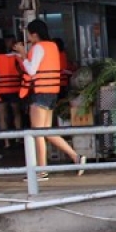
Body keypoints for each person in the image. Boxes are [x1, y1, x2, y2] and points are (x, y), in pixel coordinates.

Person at [19, 20, 84, 180]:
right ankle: (76, 157)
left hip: (40, 94)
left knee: (38, 133)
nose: (28, 37)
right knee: (47, 131)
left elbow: (31, 70)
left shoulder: (38, 47)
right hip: (52, 93)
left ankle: (41, 171)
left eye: (28, 34)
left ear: (34, 34)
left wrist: (22, 55)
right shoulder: (53, 46)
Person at [0, 36, 23, 149]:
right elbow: (21, 71)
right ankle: (19, 137)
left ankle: (6, 142)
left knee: (2, 117)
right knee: (17, 114)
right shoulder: (12, 57)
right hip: (14, 89)